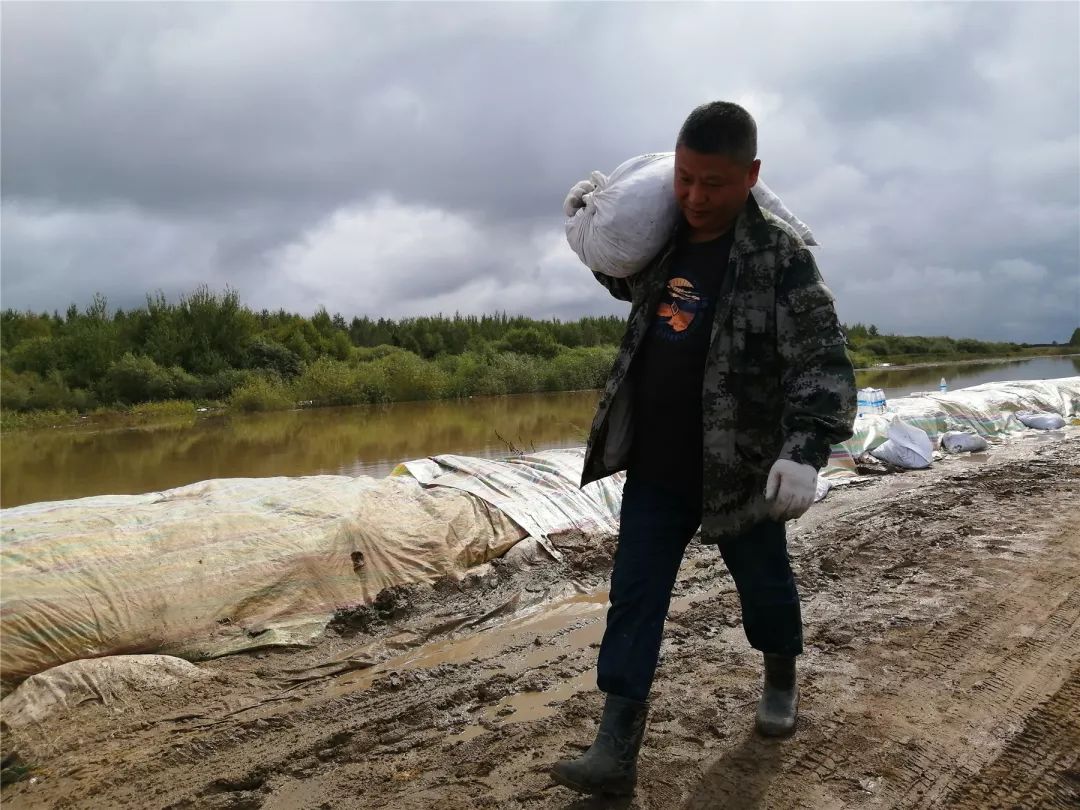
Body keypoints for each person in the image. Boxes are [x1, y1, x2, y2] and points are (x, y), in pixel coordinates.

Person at [552, 101, 857, 797]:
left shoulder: (781, 258)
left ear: (750, 175)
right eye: (685, 179)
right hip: (659, 464)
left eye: (712, 184)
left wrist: (804, 450)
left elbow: (824, 363)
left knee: (764, 587)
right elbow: (625, 280)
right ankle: (615, 749)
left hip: (740, 468)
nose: (694, 196)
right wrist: (588, 224)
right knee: (634, 597)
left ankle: (780, 675)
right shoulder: (664, 234)